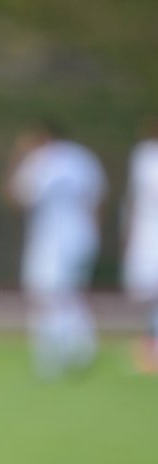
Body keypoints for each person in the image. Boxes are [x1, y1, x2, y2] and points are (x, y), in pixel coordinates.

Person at [5, 122, 106, 379]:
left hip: (51, 239)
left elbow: (18, 198)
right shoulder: (82, 157)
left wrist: (17, 160)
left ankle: (53, 355)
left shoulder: (39, 160)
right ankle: (82, 347)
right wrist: (94, 237)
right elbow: (97, 199)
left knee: (44, 295)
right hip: (82, 235)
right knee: (70, 294)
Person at [121, 116, 158, 374]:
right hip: (148, 233)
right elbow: (134, 197)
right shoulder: (145, 155)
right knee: (148, 293)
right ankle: (150, 345)